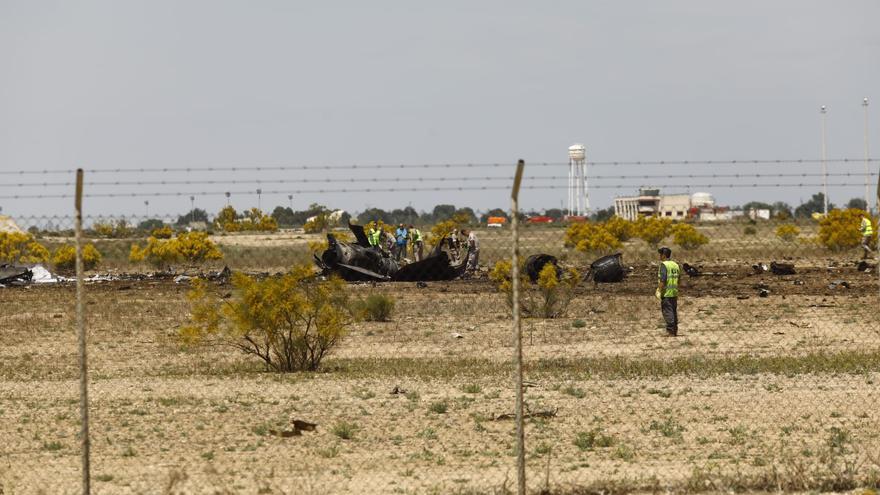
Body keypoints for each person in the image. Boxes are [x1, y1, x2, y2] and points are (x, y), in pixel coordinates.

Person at [656, 246, 680, 337]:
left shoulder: (664, 265)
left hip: (666, 293)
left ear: (664, 255)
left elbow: (663, 279)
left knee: (667, 311)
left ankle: (670, 331)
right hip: (674, 292)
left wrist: (659, 290)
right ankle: (675, 330)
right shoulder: (675, 265)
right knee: (673, 311)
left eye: (660, 254)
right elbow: (679, 279)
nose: (659, 256)